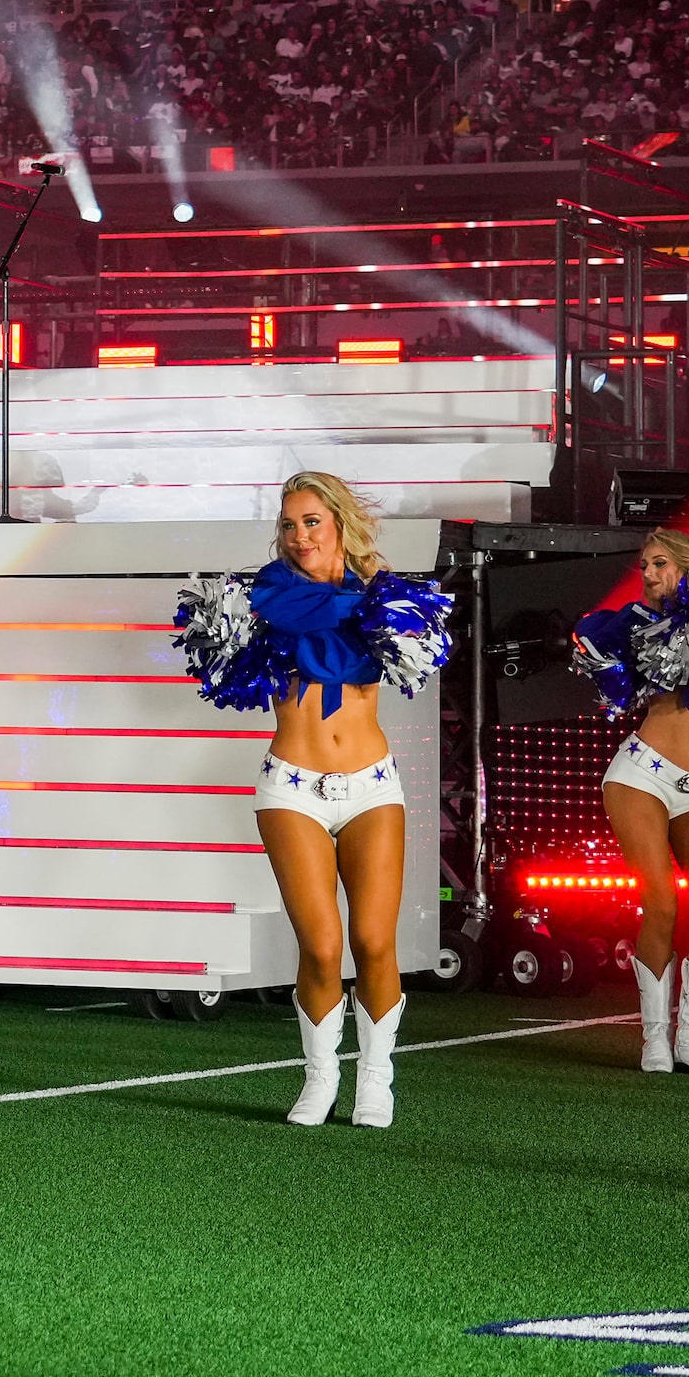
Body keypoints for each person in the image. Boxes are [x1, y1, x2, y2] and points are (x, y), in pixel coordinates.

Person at [175, 471, 450, 1130]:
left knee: (373, 941)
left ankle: (375, 1083)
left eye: (311, 522)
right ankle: (320, 1078)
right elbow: (244, 641)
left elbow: (425, 653)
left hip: (370, 786)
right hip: (291, 786)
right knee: (322, 946)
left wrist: (382, 613)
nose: (299, 536)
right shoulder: (263, 596)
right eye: (289, 523)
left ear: (336, 524)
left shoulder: (384, 599)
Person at [572, 527, 689, 1072]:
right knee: (662, 902)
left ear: (686, 566)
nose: (648, 574)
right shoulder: (631, 623)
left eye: (659, 564)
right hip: (643, 775)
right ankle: (654, 1035)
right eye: (645, 565)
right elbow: (599, 667)